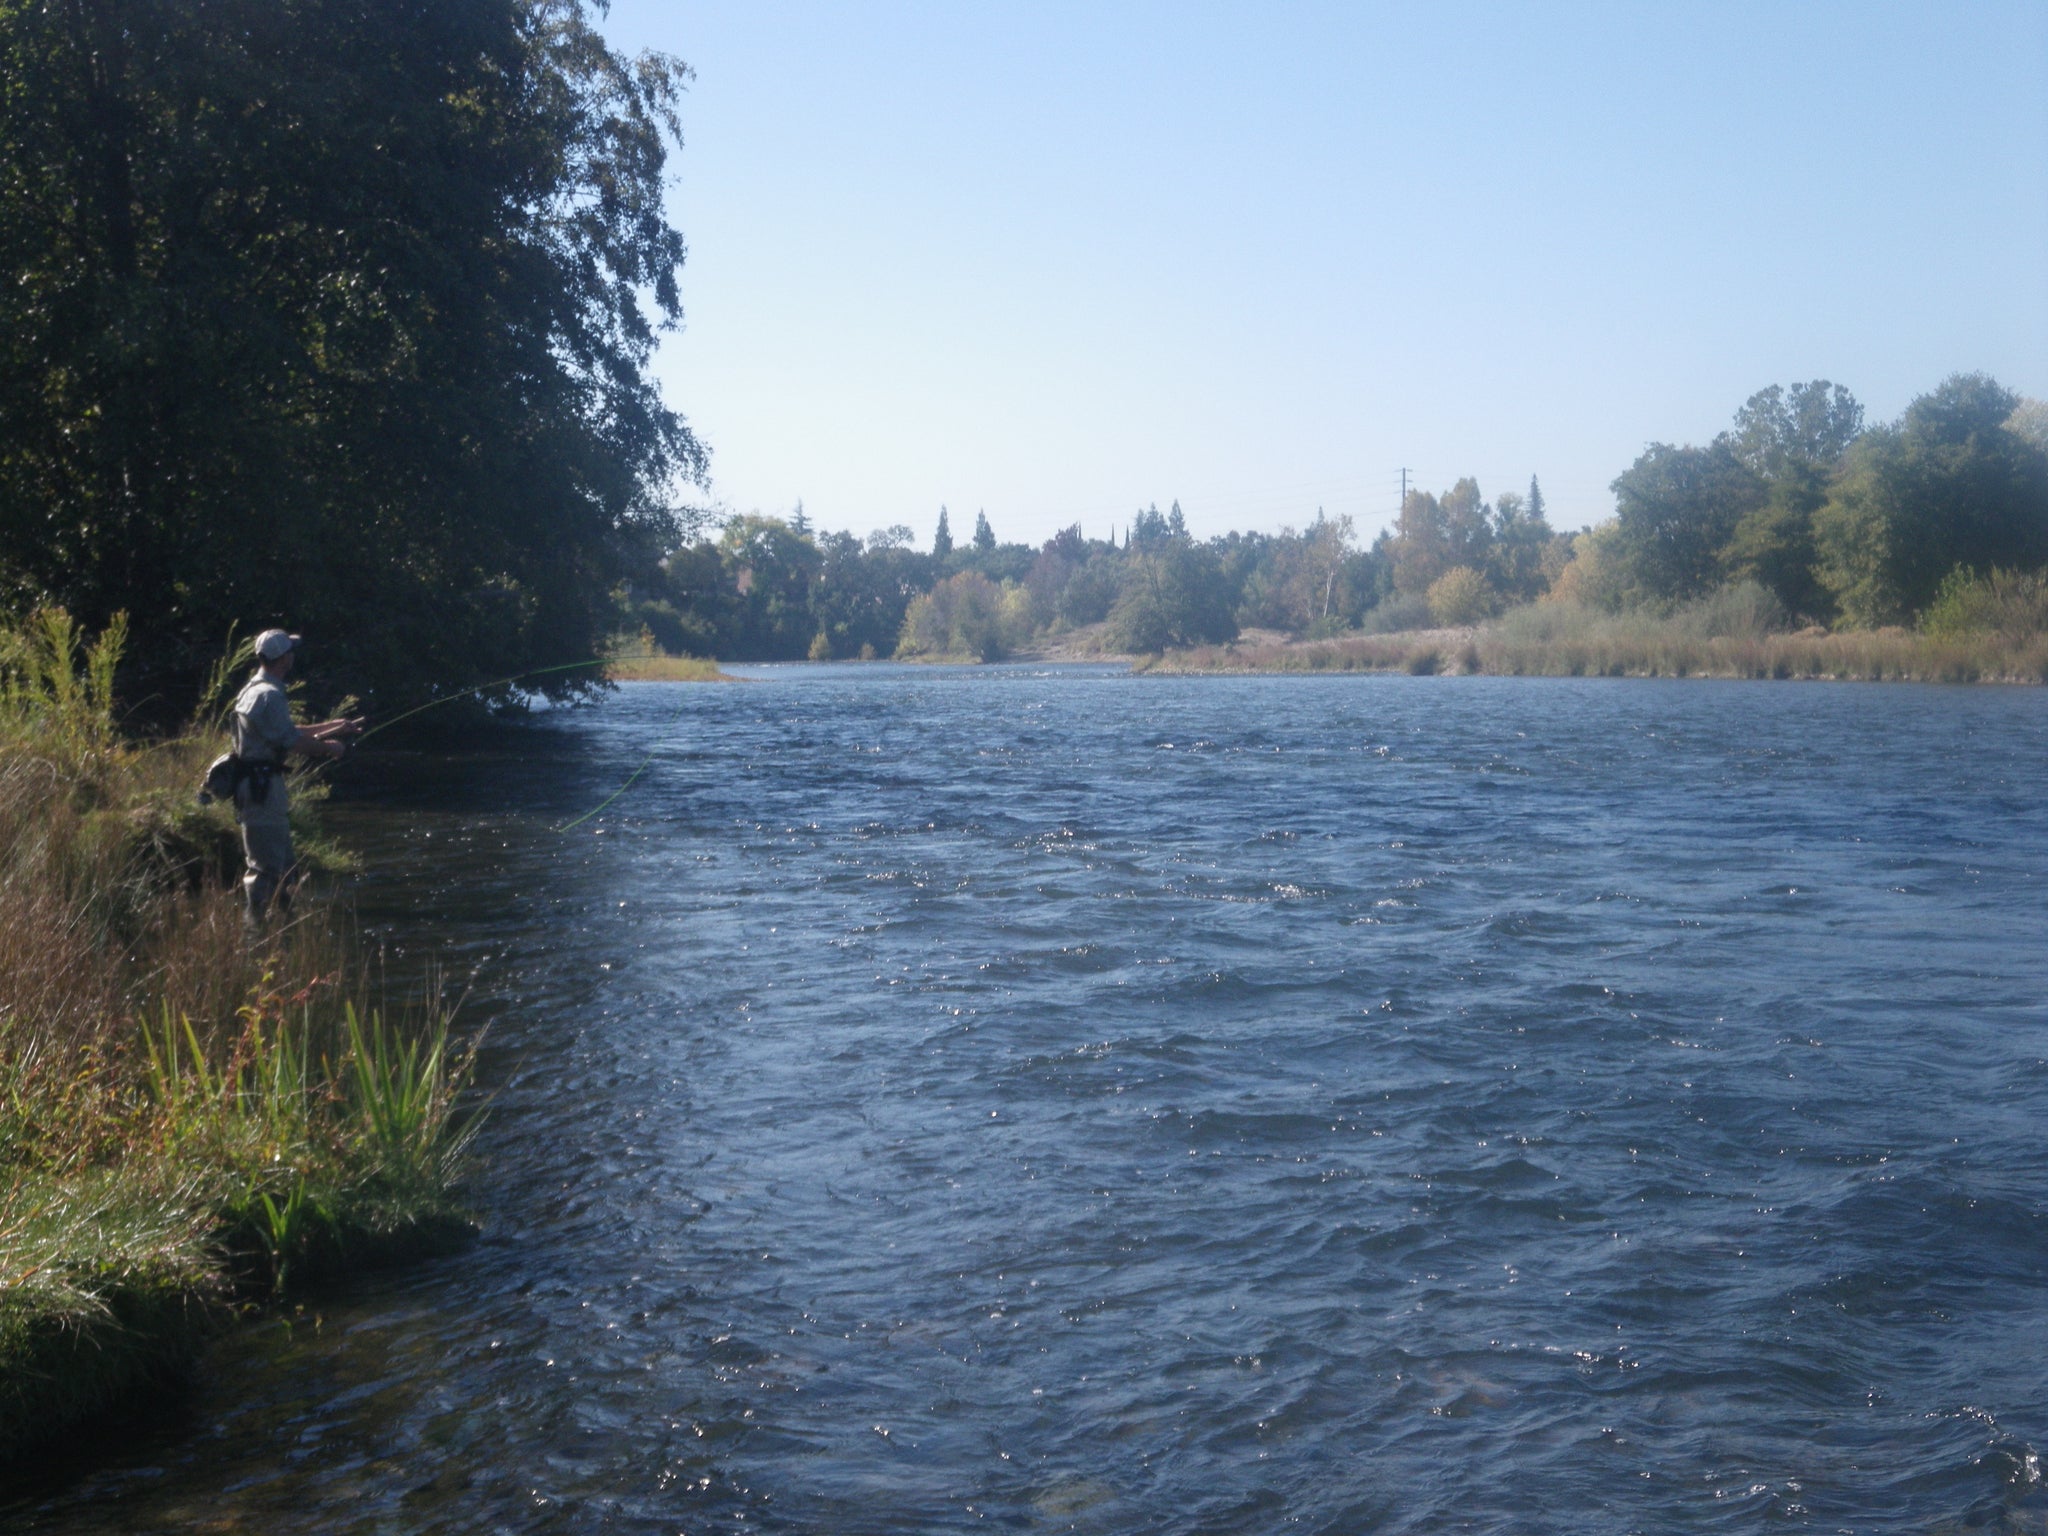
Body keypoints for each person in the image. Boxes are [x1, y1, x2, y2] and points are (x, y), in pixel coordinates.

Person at [230, 629, 361, 926]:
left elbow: (284, 732)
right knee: (264, 867)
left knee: (284, 862)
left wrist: (335, 726)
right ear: (284, 660)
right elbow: (293, 743)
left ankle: (287, 923)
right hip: (261, 787)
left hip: (258, 784)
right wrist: (330, 748)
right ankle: (256, 931)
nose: (293, 656)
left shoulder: (255, 688)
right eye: (291, 652)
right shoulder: (270, 695)